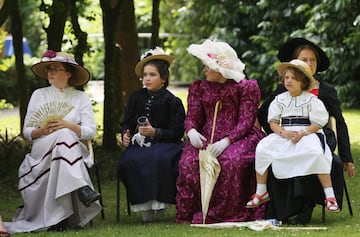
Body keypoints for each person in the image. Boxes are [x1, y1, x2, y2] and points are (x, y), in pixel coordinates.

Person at [258, 37, 355, 224]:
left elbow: (340, 123)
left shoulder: (326, 90)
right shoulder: (284, 88)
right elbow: (264, 114)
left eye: (313, 60)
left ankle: (306, 207)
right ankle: (285, 208)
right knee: (281, 155)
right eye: (304, 60)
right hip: (289, 135)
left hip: (319, 136)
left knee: (315, 156)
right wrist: (279, 133)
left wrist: (347, 157)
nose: (309, 64)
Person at [4, 50, 102, 233]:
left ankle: (59, 218)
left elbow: (90, 132)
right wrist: (42, 130)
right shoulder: (39, 95)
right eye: (49, 69)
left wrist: (68, 125)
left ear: (68, 73)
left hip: (72, 149)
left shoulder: (81, 98)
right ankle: (81, 186)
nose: (50, 72)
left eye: (55, 69)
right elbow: (27, 132)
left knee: (64, 136)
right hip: (43, 147)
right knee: (62, 139)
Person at [176, 38, 266, 224]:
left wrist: (227, 141)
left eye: (207, 66)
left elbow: (246, 121)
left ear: (219, 68)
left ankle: (226, 212)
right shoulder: (199, 87)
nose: (204, 70)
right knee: (189, 162)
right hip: (206, 136)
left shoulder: (245, 88)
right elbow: (192, 116)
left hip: (240, 137)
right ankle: (198, 209)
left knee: (230, 161)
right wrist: (191, 130)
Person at [246, 59, 339, 213]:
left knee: (317, 153)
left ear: (302, 81)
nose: (289, 81)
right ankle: (261, 190)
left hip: (307, 132)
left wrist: (304, 133)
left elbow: (319, 121)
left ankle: (330, 195)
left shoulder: (311, 100)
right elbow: (273, 122)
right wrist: (284, 133)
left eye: (293, 78)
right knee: (262, 148)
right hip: (285, 133)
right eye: (286, 77)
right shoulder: (279, 99)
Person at [118, 47, 185, 222]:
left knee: (157, 159)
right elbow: (127, 121)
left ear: (163, 78)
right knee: (129, 160)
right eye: (145, 74)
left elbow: (178, 131)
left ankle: (159, 202)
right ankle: (143, 206)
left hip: (168, 144)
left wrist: (156, 132)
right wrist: (125, 133)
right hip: (140, 142)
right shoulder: (136, 97)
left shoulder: (173, 101)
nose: (147, 78)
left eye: (152, 75)